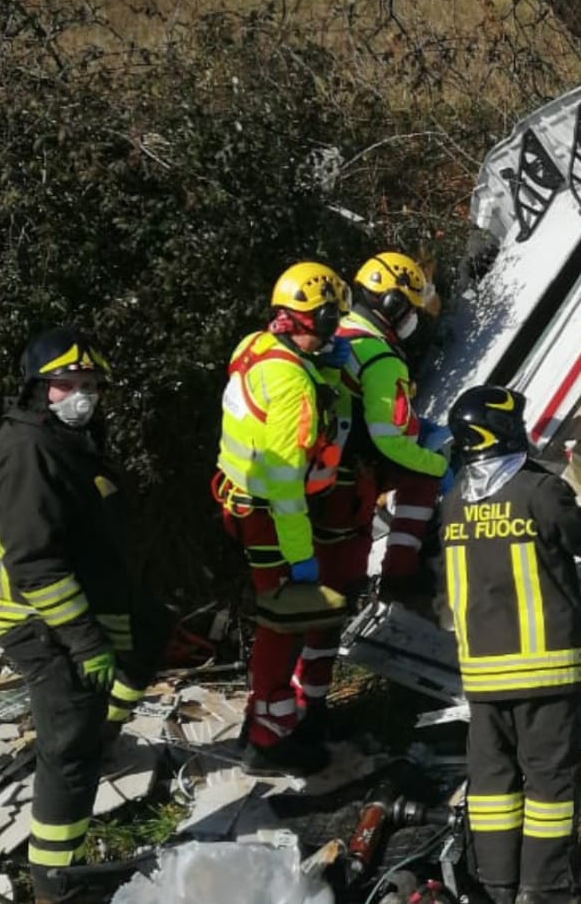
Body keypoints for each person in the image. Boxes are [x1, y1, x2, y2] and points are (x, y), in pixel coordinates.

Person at [432, 385, 581, 904]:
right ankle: (545, 889)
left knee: (492, 782)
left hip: (482, 675)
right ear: (504, 430)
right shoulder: (538, 490)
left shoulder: (455, 501)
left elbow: (446, 588)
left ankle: (497, 884)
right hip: (544, 672)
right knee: (549, 783)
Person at [0, 327, 150, 904]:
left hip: (86, 608)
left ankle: (105, 735)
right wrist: (84, 642)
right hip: (43, 623)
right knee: (67, 750)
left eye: (91, 385)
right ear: (37, 388)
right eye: (66, 384)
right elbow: (36, 566)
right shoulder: (28, 452)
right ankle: (56, 880)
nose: (82, 395)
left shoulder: (61, 440)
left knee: (149, 637)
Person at [211, 261, 359, 776]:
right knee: (285, 624)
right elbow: (286, 489)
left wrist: (324, 368)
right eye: (331, 321)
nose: (336, 330)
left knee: (278, 625)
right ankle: (267, 740)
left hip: (236, 498)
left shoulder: (254, 345)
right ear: (313, 319)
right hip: (271, 518)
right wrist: (302, 561)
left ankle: (265, 721)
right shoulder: (294, 385)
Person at [298, 251, 452, 741]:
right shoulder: (382, 357)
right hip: (346, 492)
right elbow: (394, 442)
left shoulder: (338, 339)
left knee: (310, 611)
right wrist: (441, 465)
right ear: (390, 304)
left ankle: (301, 709)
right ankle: (400, 572)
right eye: (408, 310)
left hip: (307, 489)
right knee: (427, 463)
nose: (413, 321)